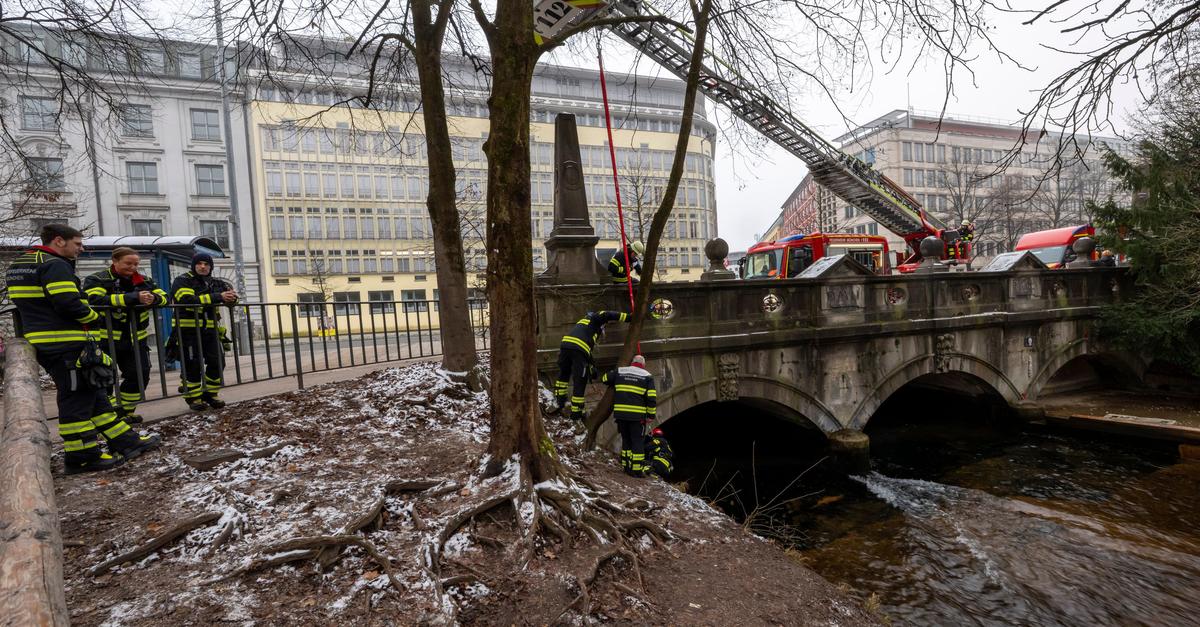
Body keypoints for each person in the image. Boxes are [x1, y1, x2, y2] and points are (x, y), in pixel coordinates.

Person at [5, 224, 161, 473]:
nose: (81, 248)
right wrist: (93, 317)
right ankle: (82, 456)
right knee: (76, 398)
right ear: (58, 241)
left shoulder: (20, 264)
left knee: (94, 393)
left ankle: (126, 442)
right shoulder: (54, 264)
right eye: (77, 244)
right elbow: (68, 302)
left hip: (46, 339)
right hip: (65, 341)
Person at [83, 248, 168, 424]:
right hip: (105, 340)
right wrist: (132, 298)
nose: (133, 267)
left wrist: (153, 298)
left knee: (140, 375)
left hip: (136, 339)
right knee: (105, 378)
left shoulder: (144, 280)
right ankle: (107, 416)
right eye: (128, 263)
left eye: (136, 264)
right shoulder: (97, 279)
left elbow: (166, 298)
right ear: (115, 261)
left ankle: (124, 411)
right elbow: (94, 301)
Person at [170, 252, 238, 411]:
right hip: (188, 331)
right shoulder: (182, 281)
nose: (202, 266)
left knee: (218, 361)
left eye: (206, 264)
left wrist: (231, 298)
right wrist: (217, 296)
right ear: (193, 265)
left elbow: (232, 299)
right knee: (192, 365)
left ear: (210, 266)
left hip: (210, 330)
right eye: (199, 263)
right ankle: (193, 397)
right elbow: (186, 300)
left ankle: (210, 394)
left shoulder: (217, 282)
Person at [554, 309, 629, 420]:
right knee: (580, 379)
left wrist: (591, 365)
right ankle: (577, 413)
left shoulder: (582, 323)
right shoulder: (594, 318)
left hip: (566, 345)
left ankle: (560, 401)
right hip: (579, 348)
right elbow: (606, 314)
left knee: (564, 373)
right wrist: (628, 317)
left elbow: (586, 352)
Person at [601, 355, 656, 477]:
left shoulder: (620, 371)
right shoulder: (647, 376)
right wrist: (651, 415)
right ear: (643, 365)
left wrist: (613, 373)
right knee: (637, 442)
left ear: (632, 362)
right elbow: (651, 398)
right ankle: (636, 470)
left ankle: (626, 466)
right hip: (637, 416)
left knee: (626, 440)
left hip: (621, 415)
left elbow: (604, 378)